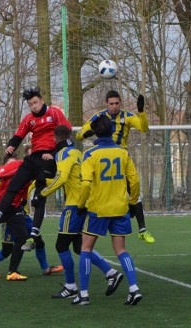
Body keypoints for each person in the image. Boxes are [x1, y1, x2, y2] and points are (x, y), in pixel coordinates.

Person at [40, 125, 125, 299]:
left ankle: (71, 286)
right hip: (86, 202)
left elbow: (62, 177)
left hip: (73, 205)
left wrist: (42, 193)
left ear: (55, 139)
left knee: (61, 245)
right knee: (80, 247)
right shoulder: (77, 152)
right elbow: (68, 175)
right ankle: (111, 273)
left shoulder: (62, 153)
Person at [0, 86, 71, 251]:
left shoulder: (54, 113)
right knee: (14, 185)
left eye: (35, 102)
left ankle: (33, 236)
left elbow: (67, 133)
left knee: (38, 197)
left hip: (49, 158)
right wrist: (10, 146)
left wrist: (55, 153)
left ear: (42, 101)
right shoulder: (28, 119)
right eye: (31, 104)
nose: (34, 106)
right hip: (34, 157)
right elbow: (19, 135)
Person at [72, 114, 142, 306]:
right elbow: (134, 181)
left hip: (98, 209)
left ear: (94, 132)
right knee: (121, 250)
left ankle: (84, 294)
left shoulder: (90, 154)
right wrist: (133, 202)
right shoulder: (123, 152)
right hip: (120, 208)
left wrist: (80, 205)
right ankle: (134, 289)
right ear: (112, 131)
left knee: (85, 248)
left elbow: (85, 184)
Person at [76, 89, 155, 244]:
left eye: (117, 103)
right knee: (93, 190)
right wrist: (87, 132)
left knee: (134, 188)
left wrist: (141, 112)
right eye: (111, 103)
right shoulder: (98, 116)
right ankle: (85, 225)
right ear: (106, 104)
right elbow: (79, 134)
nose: (114, 106)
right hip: (102, 160)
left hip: (121, 159)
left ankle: (142, 229)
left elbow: (144, 128)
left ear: (120, 103)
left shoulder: (127, 116)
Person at [0, 156, 63, 279]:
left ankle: (45, 268)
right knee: (7, 249)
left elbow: (41, 181)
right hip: (8, 218)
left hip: (23, 217)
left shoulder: (26, 177)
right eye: (10, 165)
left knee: (39, 241)